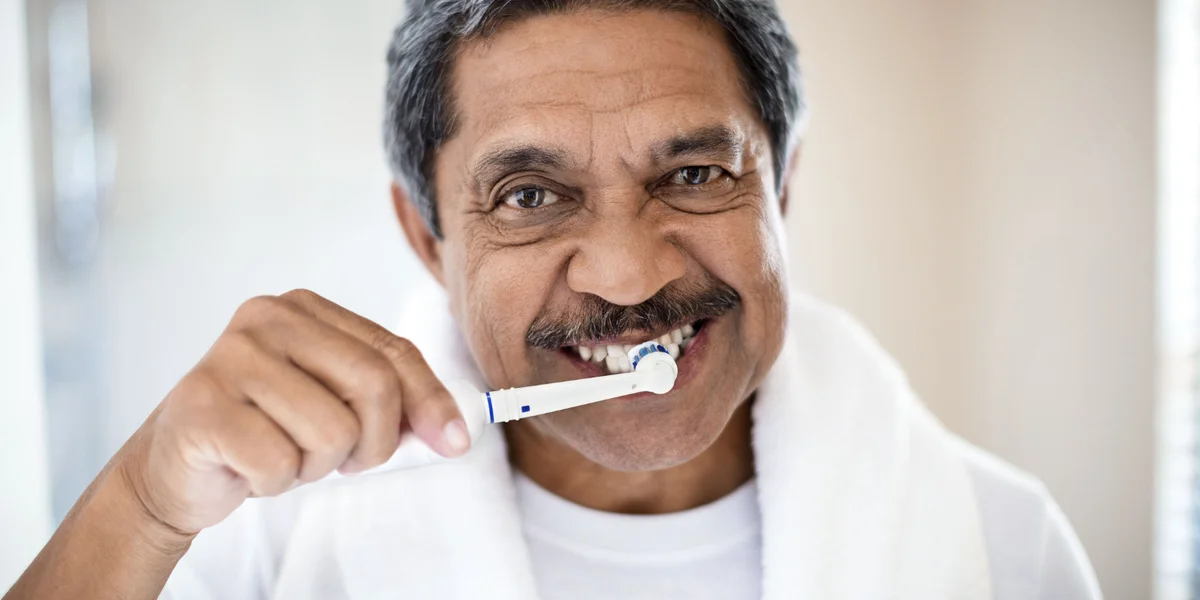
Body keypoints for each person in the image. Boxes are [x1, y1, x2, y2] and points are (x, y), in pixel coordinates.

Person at [6, 1, 1103, 598]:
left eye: (694, 174)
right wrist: (143, 510)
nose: (628, 276)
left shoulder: (1004, 549)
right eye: (531, 195)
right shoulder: (264, 548)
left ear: (782, 185)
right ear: (425, 237)